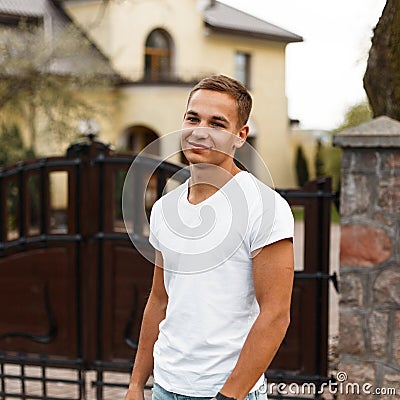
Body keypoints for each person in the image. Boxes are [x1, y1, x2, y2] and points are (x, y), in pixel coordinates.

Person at [125, 75, 294, 400]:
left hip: (227, 391)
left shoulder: (265, 206)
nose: (200, 130)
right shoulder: (165, 209)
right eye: (193, 118)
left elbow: (275, 315)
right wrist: (136, 385)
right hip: (165, 387)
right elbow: (159, 299)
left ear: (239, 136)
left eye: (217, 123)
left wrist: (228, 396)